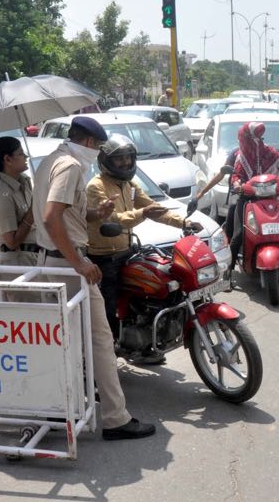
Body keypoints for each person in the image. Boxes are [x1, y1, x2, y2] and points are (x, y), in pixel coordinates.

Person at [31, 115, 155, 441]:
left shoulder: (51, 160)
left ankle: (59, 406)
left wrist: (96, 214)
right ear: (89, 143)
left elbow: (64, 211)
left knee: (67, 342)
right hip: (68, 264)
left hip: (54, 261)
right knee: (100, 341)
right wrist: (79, 263)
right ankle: (115, 418)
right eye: (98, 147)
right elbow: (50, 216)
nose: (97, 152)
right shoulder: (71, 165)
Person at [86, 134, 202, 344]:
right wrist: (142, 213)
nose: (126, 162)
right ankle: (107, 349)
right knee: (106, 311)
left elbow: (153, 209)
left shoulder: (129, 184)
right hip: (105, 259)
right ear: (106, 161)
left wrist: (183, 222)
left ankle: (149, 342)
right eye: (119, 158)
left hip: (128, 252)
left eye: (128, 157)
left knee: (158, 288)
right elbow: (113, 220)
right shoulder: (97, 186)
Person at [229, 121, 279, 286]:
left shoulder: (271, 152)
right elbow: (236, 176)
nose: (248, 142)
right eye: (247, 138)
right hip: (248, 199)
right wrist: (238, 185)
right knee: (238, 235)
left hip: (273, 199)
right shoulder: (241, 157)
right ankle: (228, 274)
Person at [0, 136, 39, 302]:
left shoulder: (25, 182)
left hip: (34, 258)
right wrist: (32, 213)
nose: (26, 156)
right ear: (8, 159)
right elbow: (11, 242)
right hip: (17, 262)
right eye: (21, 153)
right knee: (29, 318)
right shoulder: (1, 194)